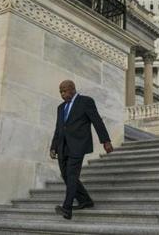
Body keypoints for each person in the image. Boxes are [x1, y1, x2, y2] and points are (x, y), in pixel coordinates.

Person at [50, 80, 114, 220]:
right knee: (66, 176)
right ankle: (85, 200)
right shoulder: (61, 108)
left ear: (72, 89)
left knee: (72, 175)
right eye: (60, 91)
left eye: (64, 91)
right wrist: (53, 146)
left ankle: (67, 208)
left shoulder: (85, 101)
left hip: (78, 145)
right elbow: (58, 128)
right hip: (62, 147)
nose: (62, 94)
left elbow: (97, 121)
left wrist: (106, 141)